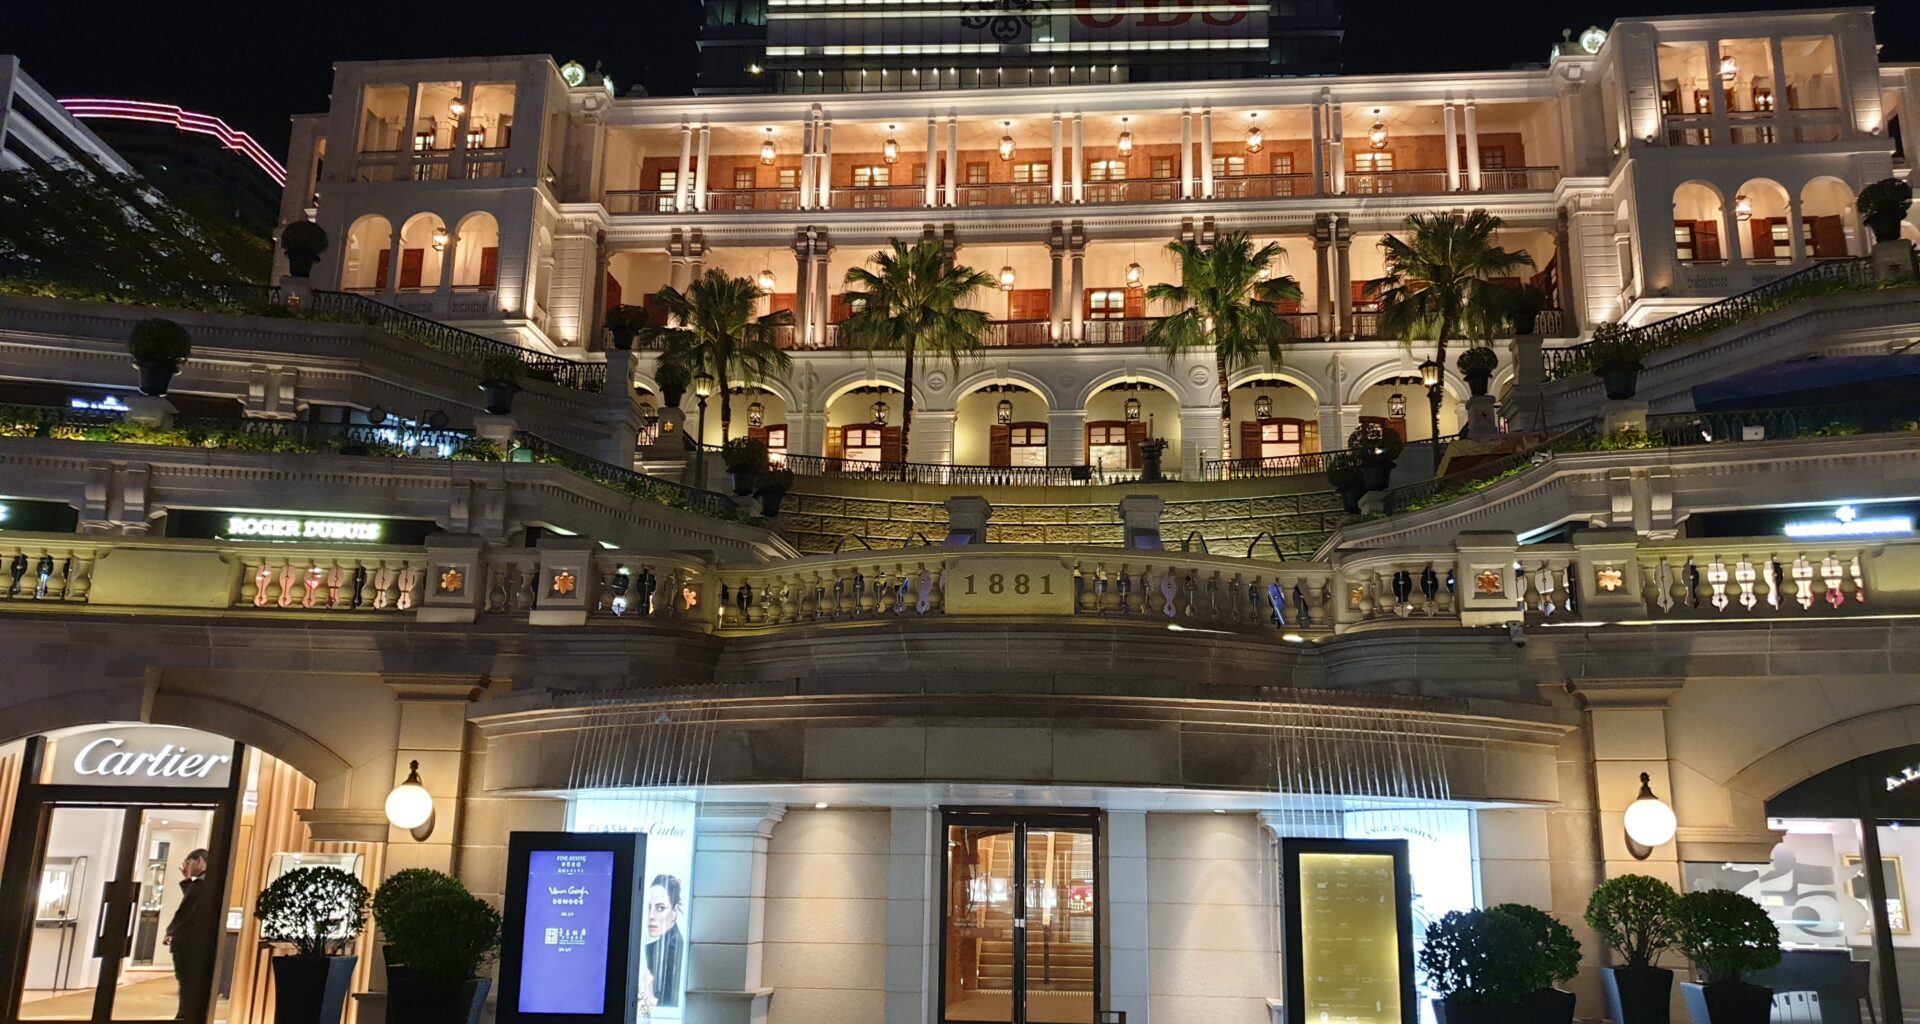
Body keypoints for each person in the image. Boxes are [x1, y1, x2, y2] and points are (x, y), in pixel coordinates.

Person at [163, 848, 218, 1023]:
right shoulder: (206, 883)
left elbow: (185, 911)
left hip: (188, 944)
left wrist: (170, 930)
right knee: (190, 984)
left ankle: (184, 1017)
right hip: (195, 943)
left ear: (200, 861)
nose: (186, 868)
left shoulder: (200, 884)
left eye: (188, 863)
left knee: (187, 983)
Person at [642, 874, 685, 1010]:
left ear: (674, 912)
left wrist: (650, 998)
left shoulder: (674, 946)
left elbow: (668, 1005)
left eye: (660, 908)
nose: (651, 917)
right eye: (650, 908)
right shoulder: (660, 946)